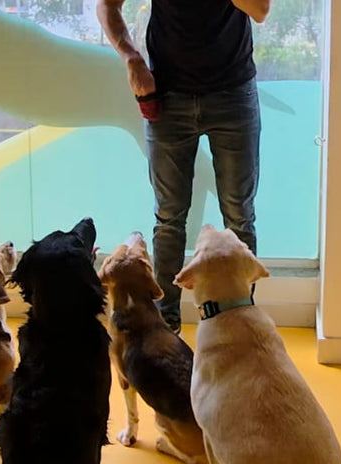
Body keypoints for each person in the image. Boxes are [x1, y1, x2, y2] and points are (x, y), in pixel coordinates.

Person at [97, 0, 272, 334]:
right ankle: (165, 329)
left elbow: (261, 10)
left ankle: (238, 321)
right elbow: (107, 6)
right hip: (167, 94)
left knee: (238, 214)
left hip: (232, 92)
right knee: (169, 218)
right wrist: (132, 58)